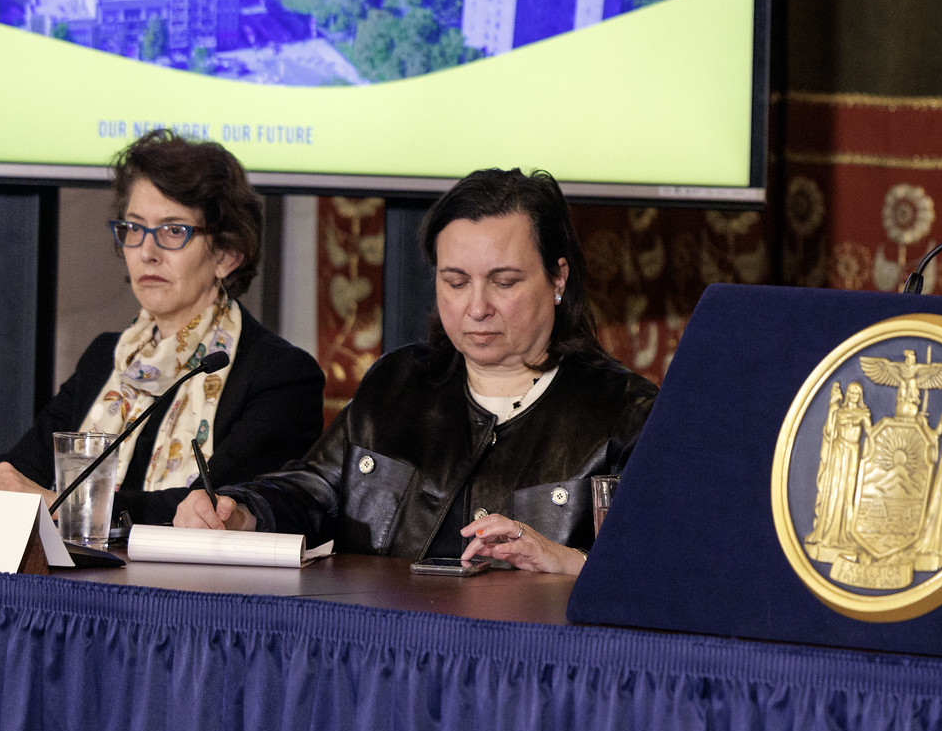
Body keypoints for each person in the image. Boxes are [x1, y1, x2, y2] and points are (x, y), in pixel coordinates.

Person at [177, 167, 656, 575]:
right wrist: (242, 512)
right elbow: (315, 491)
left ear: (558, 278)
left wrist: (569, 561)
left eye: (504, 282)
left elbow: (663, 570)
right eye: (455, 282)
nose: (477, 307)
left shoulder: (625, 414)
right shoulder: (398, 384)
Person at [0, 129, 324, 524]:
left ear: (226, 255)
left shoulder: (278, 375)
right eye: (134, 229)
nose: (147, 252)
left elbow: (215, 507)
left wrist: (63, 506)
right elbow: (26, 469)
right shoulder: (108, 357)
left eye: (173, 231)